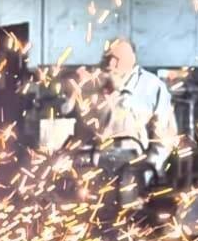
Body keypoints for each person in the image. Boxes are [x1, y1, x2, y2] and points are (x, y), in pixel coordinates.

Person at [76, 36, 178, 183]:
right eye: (108, 57)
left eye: (117, 58)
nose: (111, 63)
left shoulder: (152, 87)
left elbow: (165, 136)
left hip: (134, 167)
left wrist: (150, 167)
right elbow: (83, 131)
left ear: (131, 60)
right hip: (97, 167)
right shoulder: (92, 86)